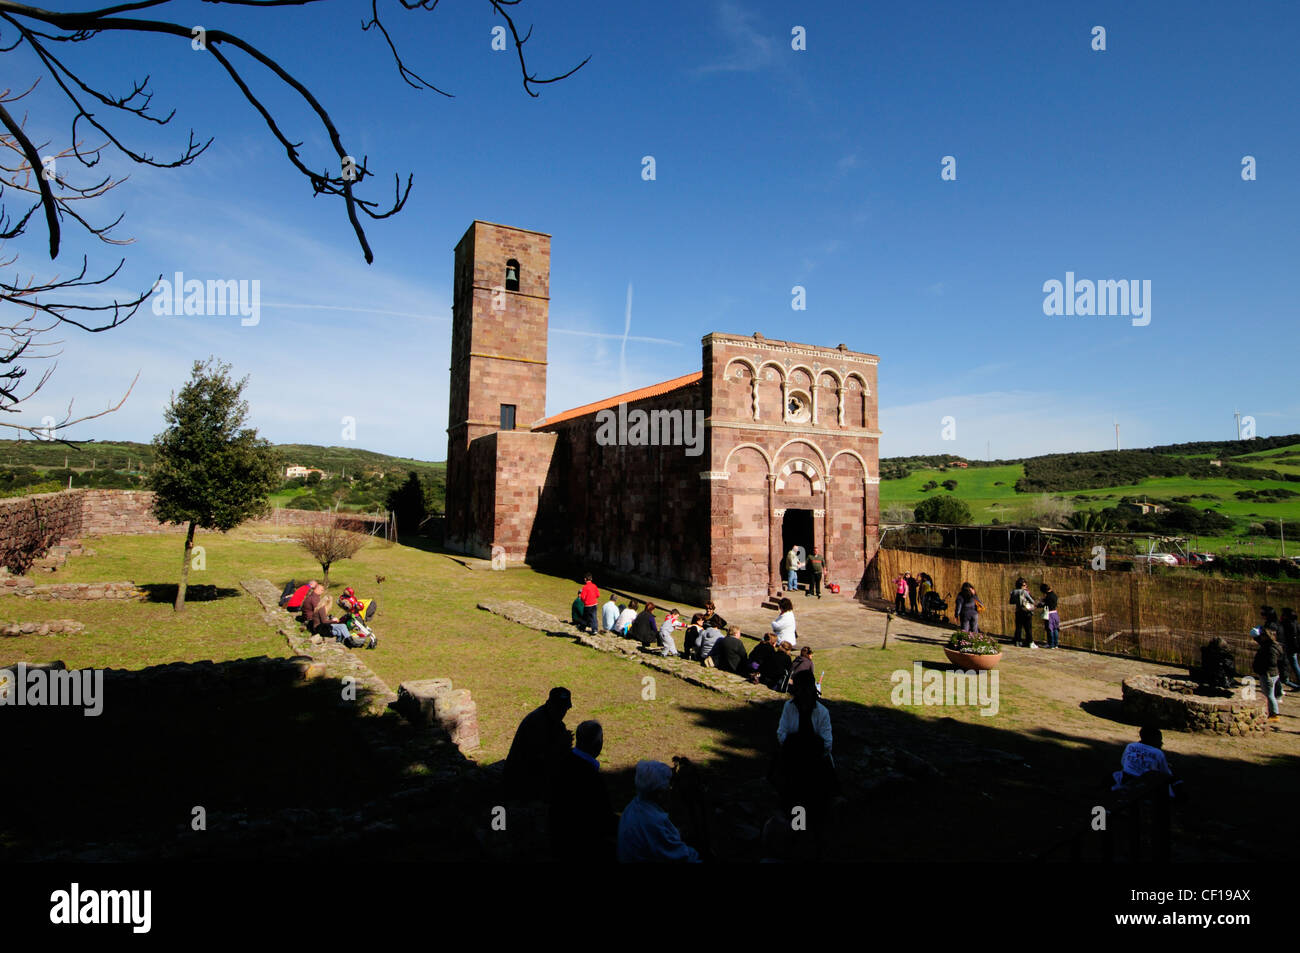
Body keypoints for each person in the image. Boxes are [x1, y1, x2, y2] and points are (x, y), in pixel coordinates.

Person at [773, 670, 837, 855]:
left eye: (804, 690)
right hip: (794, 764)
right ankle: (797, 838)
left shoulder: (821, 712)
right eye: (798, 690)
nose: (801, 694)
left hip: (816, 767)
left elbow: (827, 743)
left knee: (816, 807)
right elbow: (781, 734)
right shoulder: (789, 708)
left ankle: (816, 842)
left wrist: (799, 744)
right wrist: (802, 745)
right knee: (796, 804)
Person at [548, 720, 616, 862]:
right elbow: (606, 819)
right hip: (583, 847)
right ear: (597, 744)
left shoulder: (562, 762)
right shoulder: (593, 778)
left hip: (558, 839)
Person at [617, 760, 700, 862]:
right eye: (669, 786)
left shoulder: (633, 807)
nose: (671, 790)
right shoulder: (654, 822)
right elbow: (682, 856)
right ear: (660, 793)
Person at [504, 687, 574, 800]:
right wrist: (561, 746)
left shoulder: (557, 724)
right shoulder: (537, 722)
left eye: (564, 709)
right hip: (522, 779)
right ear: (549, 704)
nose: (562, 713)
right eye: (558, 709)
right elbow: (536, 759)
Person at [1111, 725, 1178, 798]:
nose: (1161, 743)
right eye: (1159, 740)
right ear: (1153, 739)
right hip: (1145, 783)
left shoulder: (1131, 746)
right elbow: (1165, 772)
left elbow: (1123, 762)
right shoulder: (1157, 753)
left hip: (1125, 778)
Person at [1252, 625, 1284, 723]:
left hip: (1268, 673)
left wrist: (1262, 665)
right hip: (1273, 673)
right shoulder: (1274, 645)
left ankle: (1275, 714)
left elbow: (1271, 661)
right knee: (1270, 694)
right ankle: (1272, 711)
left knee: (1269, 695)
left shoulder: (1270, 648)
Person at [1009, 577, 1037, 648]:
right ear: (1021, 585)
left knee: (1018, 627)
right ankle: (1030, 642)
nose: (1026, 586)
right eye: (1024, 585)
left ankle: (1018, 641)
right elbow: (1032, 601)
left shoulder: (1013, 592)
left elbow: (1011, 602)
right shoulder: (1024, 592)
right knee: (1028, 628)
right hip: (1026, 612)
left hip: (1018, 611)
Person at [1280, 608, 1300, 690]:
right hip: (1294, 648)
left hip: (1289, 648)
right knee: (1295, 665)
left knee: (1288, 665)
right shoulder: (1296, 624)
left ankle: (1286, 681)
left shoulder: (1288, 624)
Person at [1036, 583, 1060, 649]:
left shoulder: (1048, 597)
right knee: (1055, 629)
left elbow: (1044, 604)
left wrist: (1038, 605)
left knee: (1050, 629)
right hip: (1055, 613)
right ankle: (1056, 644)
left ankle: (1050, 644)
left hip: (1049, 614)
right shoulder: (1054, 595)